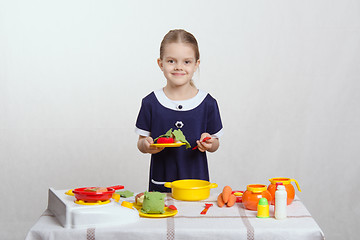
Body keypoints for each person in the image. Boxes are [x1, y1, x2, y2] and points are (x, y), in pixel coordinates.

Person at [135, 29, 223, 192]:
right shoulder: (150, 103)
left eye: (187, 62)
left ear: (196, 64)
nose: (179, 67)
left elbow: (216, 143)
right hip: (162, 184)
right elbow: (141, 142)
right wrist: (146, 145)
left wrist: (209, 143)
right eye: (171, 61)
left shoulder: (207, 103)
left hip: (196, 185)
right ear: (160, 63)